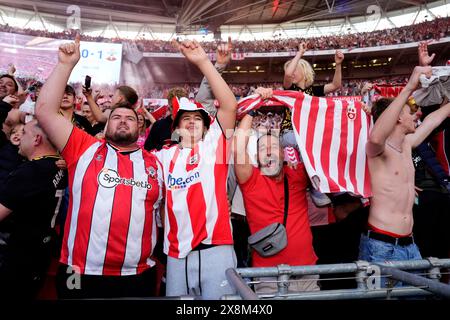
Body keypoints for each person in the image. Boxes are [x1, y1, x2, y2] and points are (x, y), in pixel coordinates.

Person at [34, 34, 163, 299]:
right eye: (116, 116)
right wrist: (65, 65)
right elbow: (45, 111)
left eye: (131, 117)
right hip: (78, 270)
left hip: (137, 274)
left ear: (140, 127)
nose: (124, 120)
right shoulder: (83, 148)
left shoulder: (157, 164)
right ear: (106, 124)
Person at [153, 39, 237, 300]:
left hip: (217, 247)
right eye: (185, 119)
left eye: (197, 119)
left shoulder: (215, 145)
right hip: (177, 254)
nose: (191, 123)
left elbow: (230, 105)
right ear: (176, 128)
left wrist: (204, 62)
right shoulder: (162, 156)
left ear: (206, 126)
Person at [361, 66, 450, 283]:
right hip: (381, 247)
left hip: (409, 245)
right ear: (398, 118)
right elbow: (375, 138)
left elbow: (434, 120)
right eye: (410, 111)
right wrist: (409, 86)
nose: (416, 113)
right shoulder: (377, 151)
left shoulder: (408, 144)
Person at [234, 88, 318, 293]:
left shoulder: (297, 175)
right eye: (263, 148)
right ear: (257, 156)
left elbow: (315, 145)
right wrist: (254, 107)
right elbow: (237, 148)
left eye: (274, 146)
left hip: (307, 274)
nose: (269, 151)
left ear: (284, 154)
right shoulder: (250, 179)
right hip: (267, 277)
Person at [0, 119, 67, 299]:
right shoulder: (61, 166)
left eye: (24, 134)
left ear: (36, 139)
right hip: (41, 252)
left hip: (18, 257)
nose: (19, 139)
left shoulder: (30, 171)